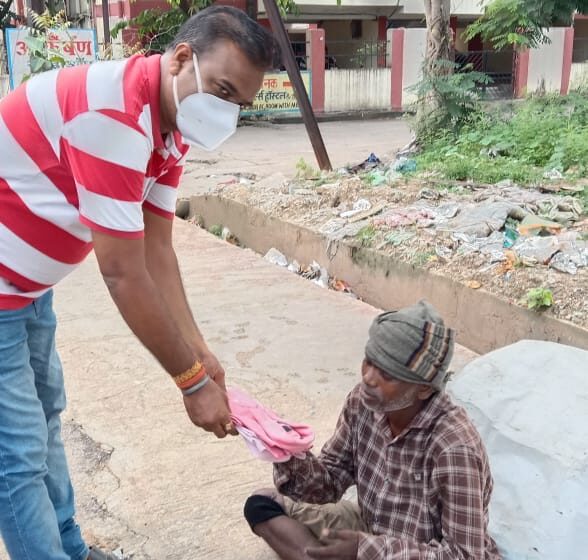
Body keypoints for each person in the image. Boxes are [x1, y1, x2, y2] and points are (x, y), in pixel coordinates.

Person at [0, 6, 278, 560]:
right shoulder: (112, 116)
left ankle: (70, 548)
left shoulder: (168, 125)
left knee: (48, 419)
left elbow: (158, 250)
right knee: (19, 453)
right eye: (221, 90)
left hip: (27, 288)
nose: (225, 112)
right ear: (181, 59)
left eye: (239, 104)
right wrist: (192, 384)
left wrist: (202, 355)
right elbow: (124, 273)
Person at [244, 301, 502, 560]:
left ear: (423, 389)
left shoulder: (454, 447)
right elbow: (327, 487)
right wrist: (289, 451)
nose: (368, 377)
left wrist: (366, 551)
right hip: (369, 527)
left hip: (419, 552)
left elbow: (465, 555)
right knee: (261, 505)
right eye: (369, 361)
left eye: (387, 375)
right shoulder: (362, 403)